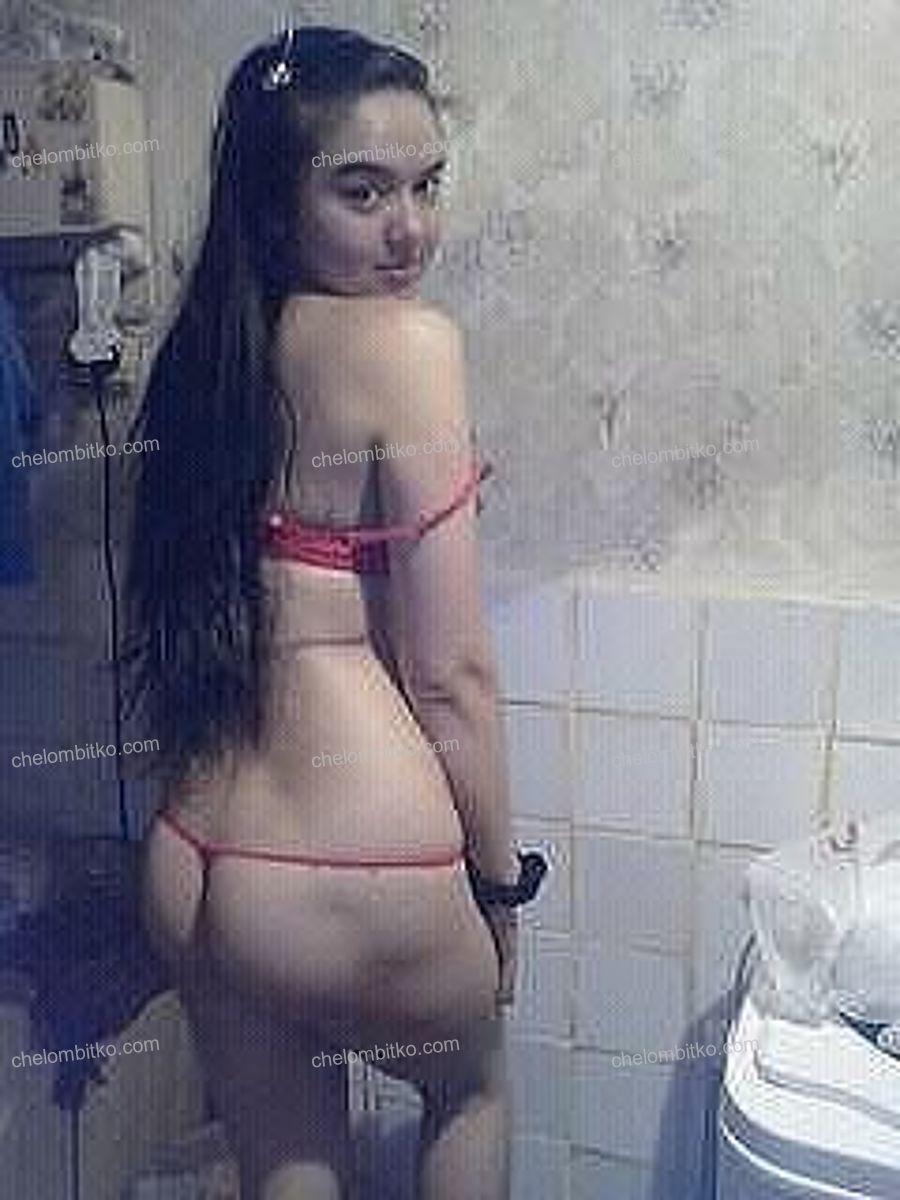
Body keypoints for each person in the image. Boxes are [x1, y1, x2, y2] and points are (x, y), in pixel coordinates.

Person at [124, 26, 545, 1200]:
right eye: (363, 192)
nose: (410, 229)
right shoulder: (407, 345)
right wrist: (501, 890)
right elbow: (451, 674)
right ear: (277, 204)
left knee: (289, 1167)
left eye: (427, 185)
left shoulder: (203, 351)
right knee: (470, 1091)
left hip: (193, 859)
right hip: (352, 869)